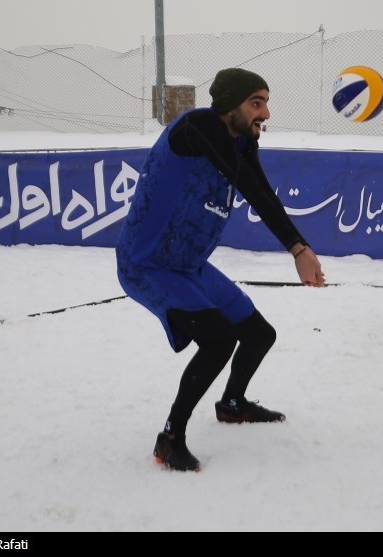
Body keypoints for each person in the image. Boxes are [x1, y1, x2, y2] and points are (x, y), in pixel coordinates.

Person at [115, 68, 326, 472]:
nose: (264, 112)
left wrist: (301, 248)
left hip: (189, 265)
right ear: (231, 104)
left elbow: (262, 192)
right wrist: (296, 249)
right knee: (217, 339)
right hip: (148, 264)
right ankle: (170, 438)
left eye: (265, 102)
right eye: (256, 103)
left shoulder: (241, 143)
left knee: (259, 335)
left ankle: (232, 405)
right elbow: (247, 182)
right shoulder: (197, 126)